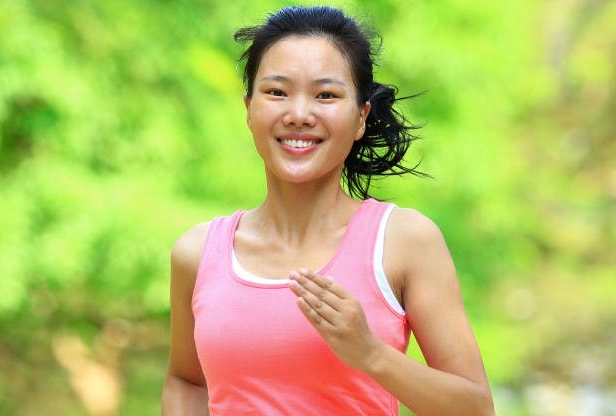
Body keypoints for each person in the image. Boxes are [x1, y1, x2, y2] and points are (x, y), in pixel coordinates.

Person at [161, 6, 495, 416]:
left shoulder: (403, 242)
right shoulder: (198, 252)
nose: (299, 114)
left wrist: (370, 353)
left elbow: (476, 408)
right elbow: (186, 380)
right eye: (277, 92)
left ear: (360, 118)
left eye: (326, 95)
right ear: (249, 109)